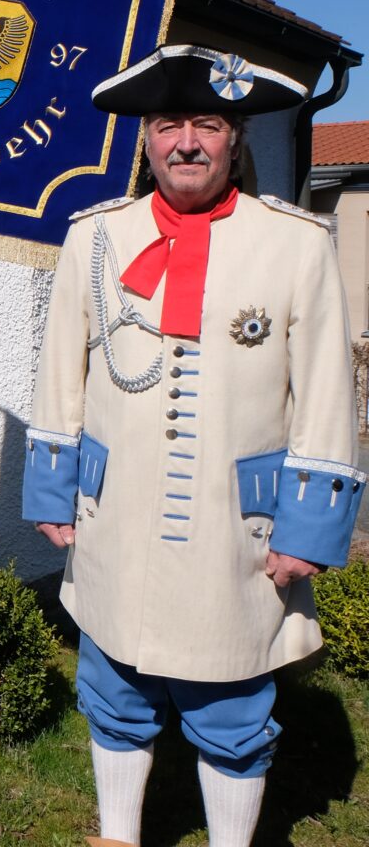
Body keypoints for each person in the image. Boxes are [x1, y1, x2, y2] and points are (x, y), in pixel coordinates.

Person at [24, 44, 364, 847]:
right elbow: (58, 373)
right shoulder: (96, 237)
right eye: (169, 123)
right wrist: (50, 490)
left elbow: (324, 393)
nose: (186, 142)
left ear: (236, 137)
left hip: (232, 527)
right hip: (116, 513)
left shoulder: (296, 243)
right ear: (144, 136)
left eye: (206, 124)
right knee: (112, 688)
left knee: (233, 700)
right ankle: (118, 835)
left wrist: (307, 531)